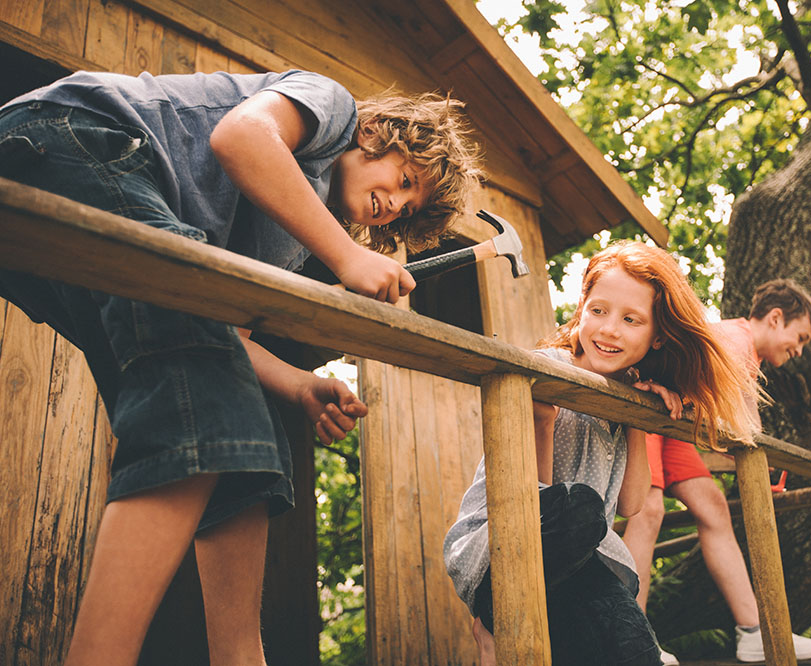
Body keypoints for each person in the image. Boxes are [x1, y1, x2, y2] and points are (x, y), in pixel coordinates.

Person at [0, 69, 481, 665]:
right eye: (405, 179)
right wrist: (347, 255)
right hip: (74, 140)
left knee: (244, 441)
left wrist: (298, 383)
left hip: (49, 238)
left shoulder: (287, 237)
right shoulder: (330, 110)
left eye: (408, 208)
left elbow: (220, 335)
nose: (396, 204)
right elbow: (240, 137)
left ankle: (240, 657)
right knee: (204, 405)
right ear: (378, 135)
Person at [443, 241, 759, 665]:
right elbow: (531, 502)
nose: (610, 329)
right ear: (582, 307)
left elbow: (630, 504)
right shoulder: (544, 369)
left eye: (631, 320)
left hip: (582, 562)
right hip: (500, 543)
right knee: (577, 512)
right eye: (599, 311)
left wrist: (635, 419)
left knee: (632, 644)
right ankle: (495, 618)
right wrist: (543, 421)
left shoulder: (627, 394)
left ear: (659, 335)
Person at [622, 278, 811, 664]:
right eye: (799, 337)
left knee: (714, 508)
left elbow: (733, 425)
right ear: (776, 317)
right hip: (649, 406)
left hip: (674, 422)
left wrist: (757, 466)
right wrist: (758, 458)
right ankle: (631, 643)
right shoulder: (736, 339)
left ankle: (753, 632)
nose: (798, 350)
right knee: (647, 513)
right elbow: (742, 420)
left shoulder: (746, 353)